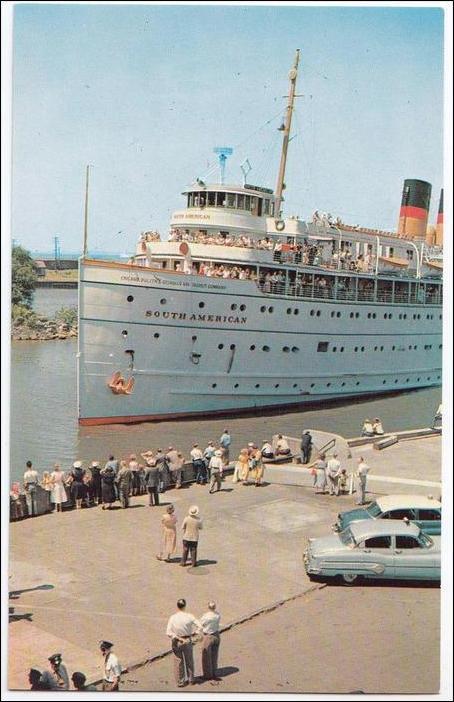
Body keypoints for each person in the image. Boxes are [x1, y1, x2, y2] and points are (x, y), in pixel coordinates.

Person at [166, 599, 202, 687]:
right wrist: (195, 633)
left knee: (178, 661)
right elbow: (200, 626)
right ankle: (191, 680)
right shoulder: (189, 616)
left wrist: (177, 637)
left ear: (177, 606)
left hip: (177, 641)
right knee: (189, 660)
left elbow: (168, 632)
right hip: (187, 640)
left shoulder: (173, 617)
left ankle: (180, 681)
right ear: (185, 606)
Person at [200, 601, 221, 682]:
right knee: (214, 655)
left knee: (206, 657)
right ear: (215, 607)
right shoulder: (217, 615)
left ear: (208, 607)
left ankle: (208, 675)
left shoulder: (206, 616)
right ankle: (214, 672)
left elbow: (202, 624)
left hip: (208, 636)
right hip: (216, 635)